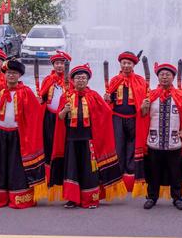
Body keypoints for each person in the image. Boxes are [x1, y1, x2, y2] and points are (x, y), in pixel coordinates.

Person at [49, 63, 126, 208]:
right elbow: (59, 118)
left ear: (87, 80)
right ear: (72, 80)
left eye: (83, 78)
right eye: (77, 78)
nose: (80, 81)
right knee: (72, 168)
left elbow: (107, 113)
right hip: (71, 139)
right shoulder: (66, 97)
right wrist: (64, 111)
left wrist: (108, 101)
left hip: (88, 139)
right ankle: (73, 199)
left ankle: (90, 199)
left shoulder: (94, 96)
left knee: (89, 169)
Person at [137, 62, 182, 210]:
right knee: (153, 172)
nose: (164, 77)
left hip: (174, 142)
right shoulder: (150, 96)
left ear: (172, 77)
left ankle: (177, 198)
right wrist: (143, 108)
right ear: (158, 77)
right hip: (154, 141)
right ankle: (152, 197)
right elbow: (143, 117)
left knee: (176, 172)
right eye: (162, 74)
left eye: (167, 75)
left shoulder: (180, 95)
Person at [0, 59, 46, 208]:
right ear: (5, 74)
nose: (11, 76)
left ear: (19, 75)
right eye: (9, 73)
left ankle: (19, 197)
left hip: (17, 135)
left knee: (17, 167)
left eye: (14, 73)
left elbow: (35, 115)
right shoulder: (0, 91)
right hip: (0, 133)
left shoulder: (26, 92)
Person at [105, 51, 147, 191]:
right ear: (120, 64)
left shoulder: (140, 80)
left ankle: (131, 174)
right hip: (117, 117)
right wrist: (107, 99)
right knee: (118, 145)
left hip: (134, 118)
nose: (126, 65)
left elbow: (146, 98)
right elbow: (109, 100)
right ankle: (118, 175)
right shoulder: (114, 80)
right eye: (124, 63)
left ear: (134, 65)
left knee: (133, 146)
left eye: (129, 63)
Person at [38, 50, 71, 180]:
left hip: (65, 117)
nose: (59, 66)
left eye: (62, 63)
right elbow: (43, 96)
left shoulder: (71, 80)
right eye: (57, 63)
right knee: (49, 141)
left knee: (63, 142)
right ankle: (48, 172)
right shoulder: (48, 79)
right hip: (49, 116)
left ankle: (64, 171)